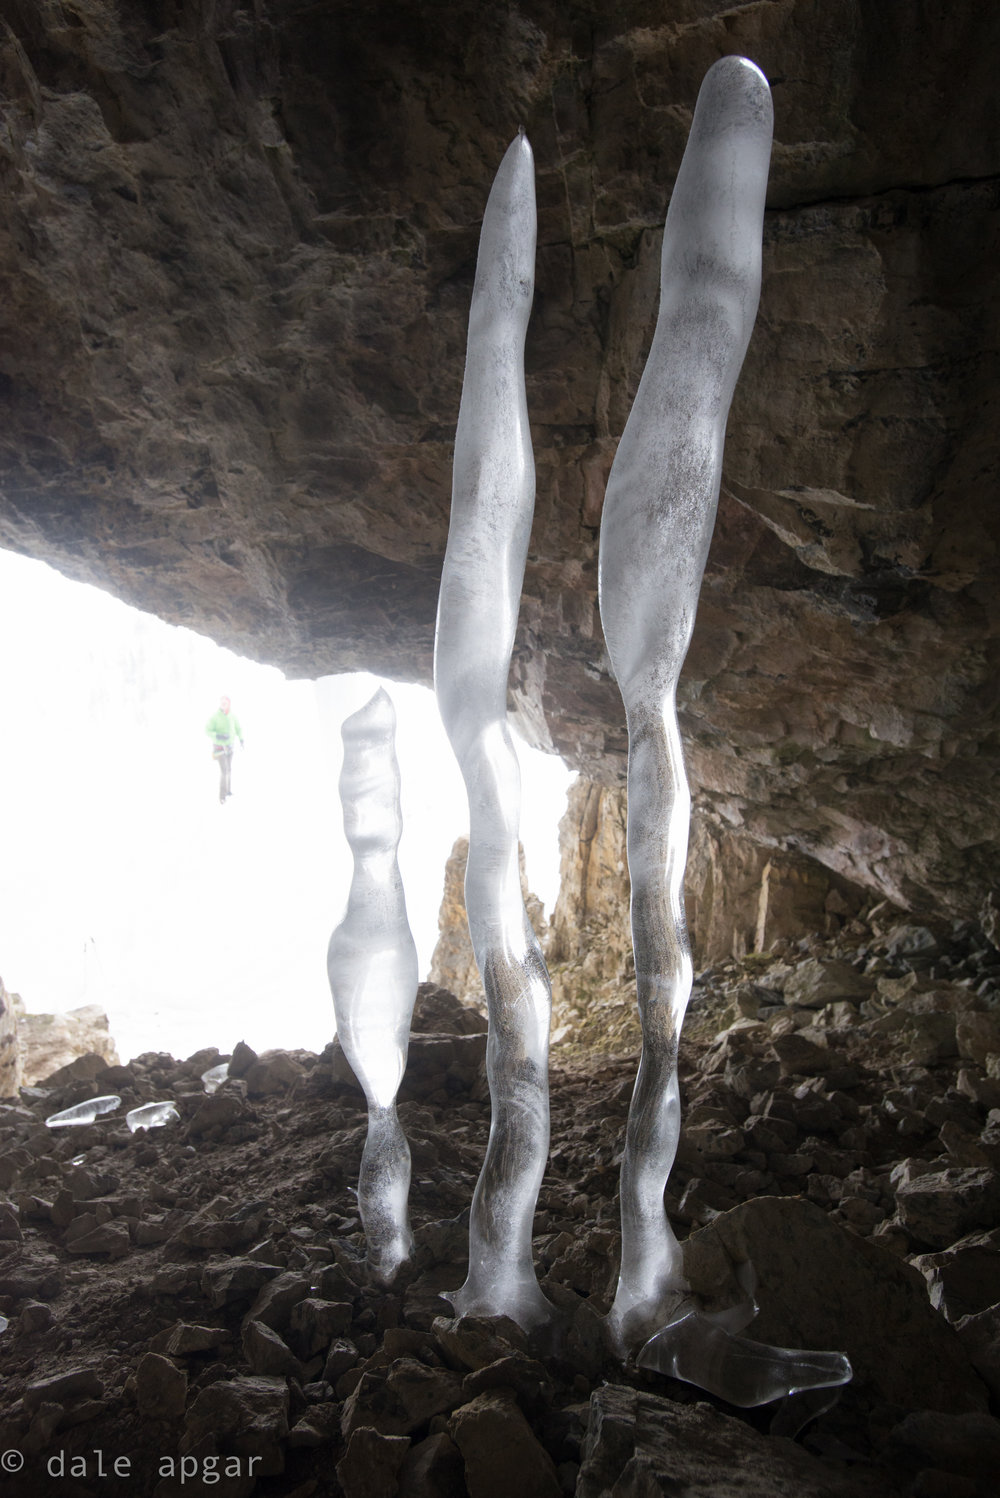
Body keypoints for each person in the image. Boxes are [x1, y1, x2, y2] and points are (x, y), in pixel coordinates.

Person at [205, 695, 244, 803]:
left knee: (229, 769)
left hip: (230, 747)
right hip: (219, 748)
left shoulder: (233, 716)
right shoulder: (215, 716)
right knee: (224, 770)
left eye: (225, 703)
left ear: (229, 704)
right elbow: (207, 730)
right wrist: (217, 736)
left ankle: (228, 790)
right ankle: (222, 796)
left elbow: (238, 728)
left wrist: (241, 739)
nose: (223, 705)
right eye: (221, 703)